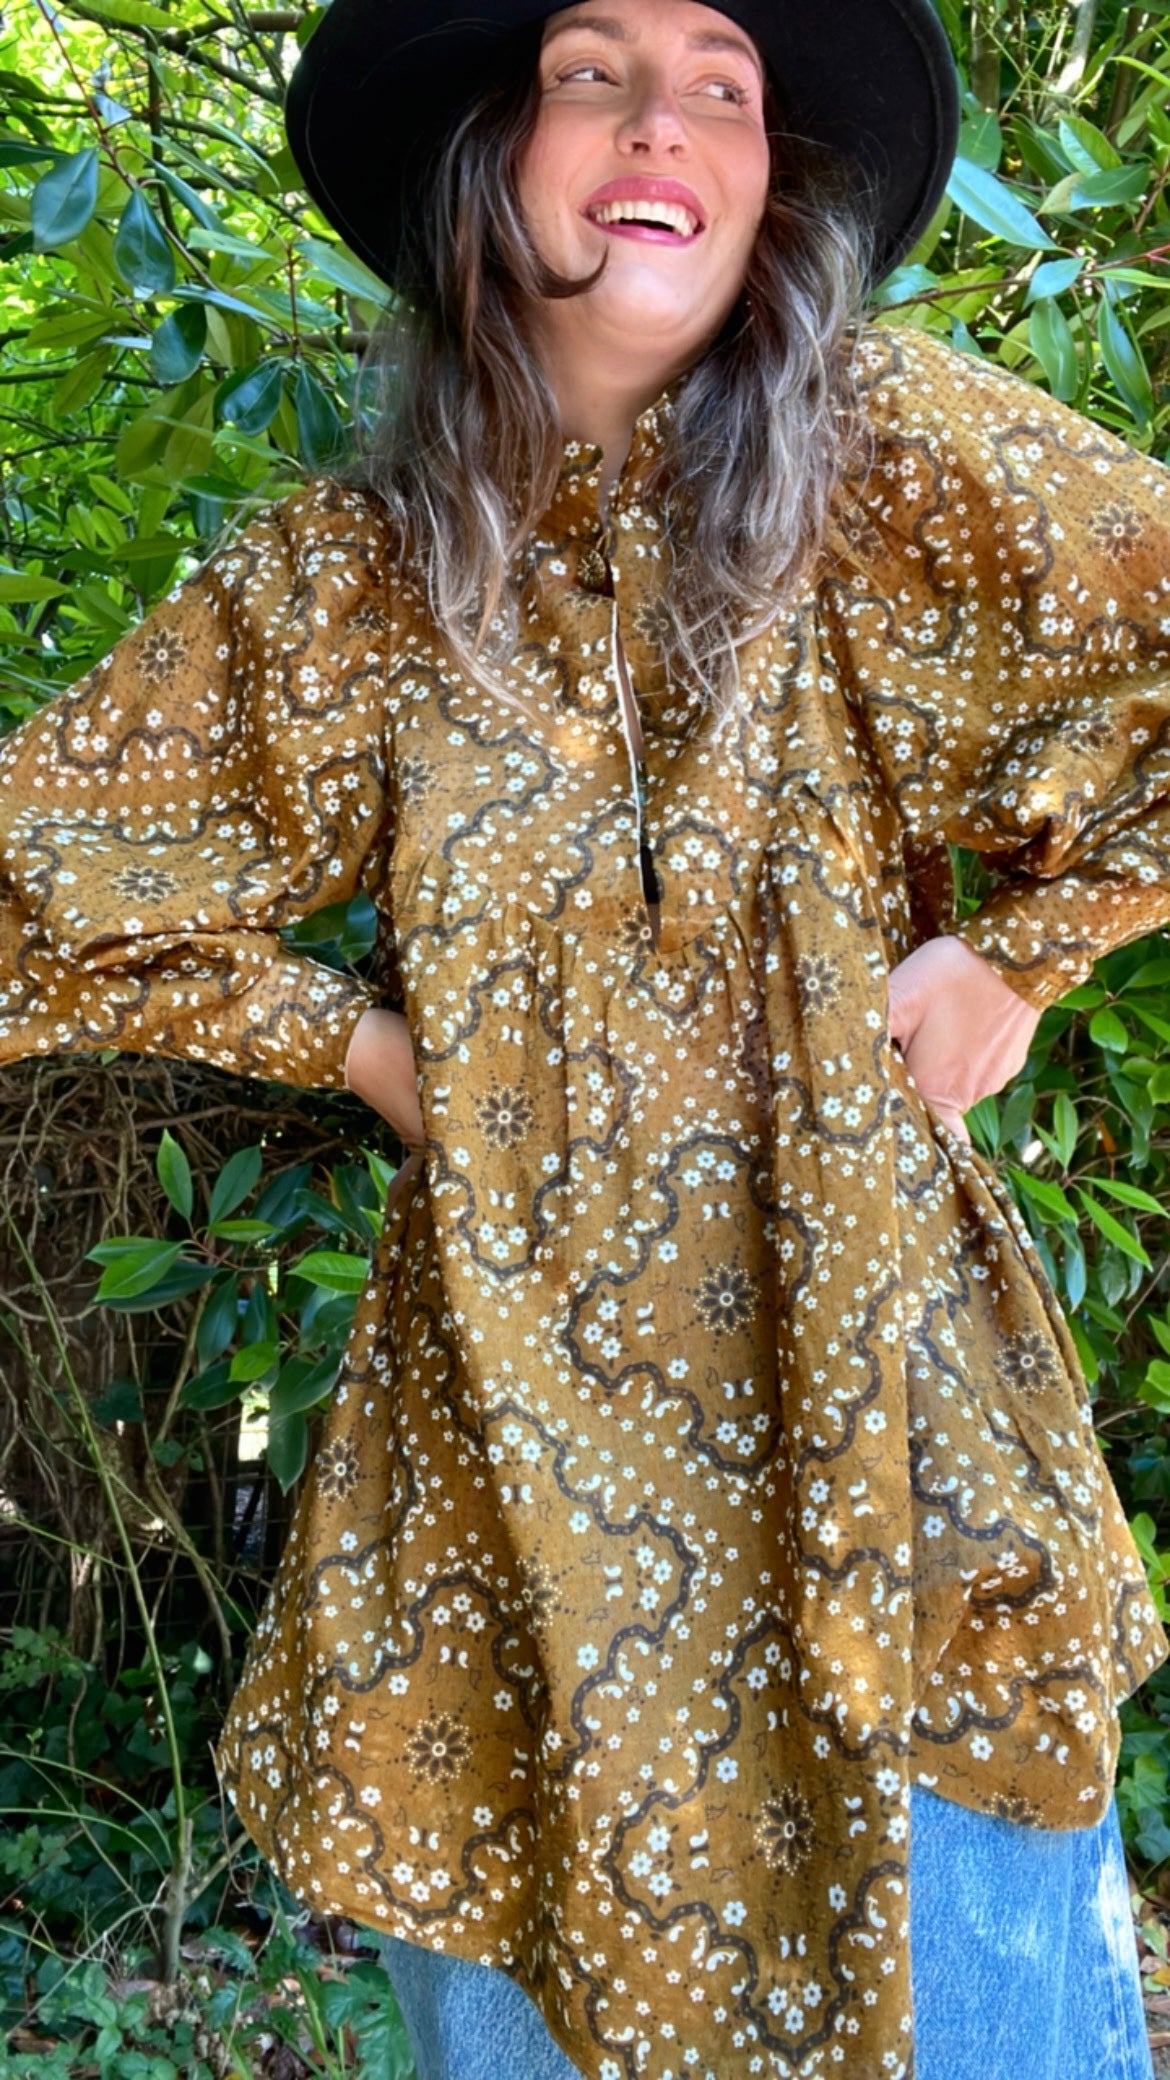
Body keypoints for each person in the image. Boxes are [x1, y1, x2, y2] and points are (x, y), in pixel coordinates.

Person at [0, 1, 1166, 2074]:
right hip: (508, 1570)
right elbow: (37, 879)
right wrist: (350, 1042)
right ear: (489, 151)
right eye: (588, 70)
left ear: (774, 187)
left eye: (724, 84)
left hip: (895, 1492)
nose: (659, 123)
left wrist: (1029, 952)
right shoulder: (350, 588)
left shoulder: (893, 467)